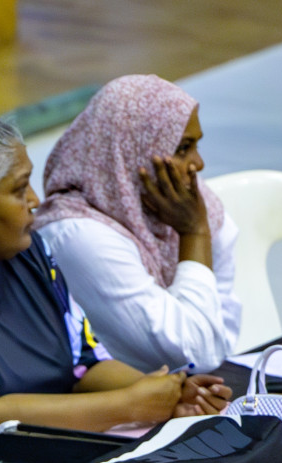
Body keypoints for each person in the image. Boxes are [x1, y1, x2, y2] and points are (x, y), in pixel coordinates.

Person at [0, 113, 231, 454]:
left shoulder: (29, 252)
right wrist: (130, 404)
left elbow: (86, 363)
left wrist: (169, 393)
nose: (35, 201)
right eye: (19, 190)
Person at [35, 75, 240, 373]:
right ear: (131, 153)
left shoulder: (193, 204)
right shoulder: (77, 236)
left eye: (196, 145)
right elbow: (196, 355)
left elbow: (224, 337)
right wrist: (194, 234)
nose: (198, 164)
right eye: (182, 148)